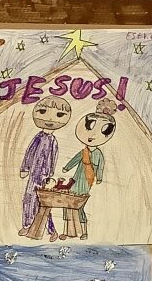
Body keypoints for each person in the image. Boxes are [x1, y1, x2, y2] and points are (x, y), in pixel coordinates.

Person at [62, 104, 117, 240]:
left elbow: (100, 167)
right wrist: (67, 168)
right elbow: (74, 160)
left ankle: (84, 232)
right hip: (75, 181)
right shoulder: (84, 151)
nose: (92, 135)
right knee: (67, 204)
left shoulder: (98, 154)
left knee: (78, 206)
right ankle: (68, 231)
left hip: (86, 182)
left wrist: (99, 177)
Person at [19, 97, 71, 239]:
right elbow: (30, 152)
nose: (50, 119)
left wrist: (50, 175)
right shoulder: (38, 137)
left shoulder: (53, 141)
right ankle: (27, 225)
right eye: (43, 112)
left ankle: (51, 231)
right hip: (33, 176)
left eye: (59, 115)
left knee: (44, 204)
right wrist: (25, 168)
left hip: (44, 178)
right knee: (29, 199)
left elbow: (53, 158)